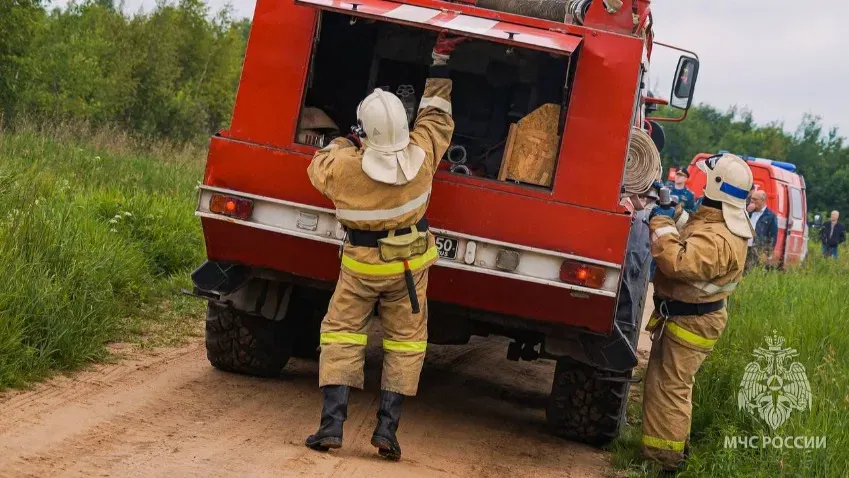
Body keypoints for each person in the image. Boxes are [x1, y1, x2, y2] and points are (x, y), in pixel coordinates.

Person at [303, 31, 468, 461]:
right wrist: (439, 64)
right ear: (402, 127)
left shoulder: (345, 168)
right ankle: (387, 433)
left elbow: (319, 165)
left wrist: (345, 142)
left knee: (340, 336)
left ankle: (330, 427)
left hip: (359, 268)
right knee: (406, 344)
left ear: (366, 133)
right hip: (409, 273)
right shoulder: (423, 157)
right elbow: (437, 119)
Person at [641, 153, 752, 472]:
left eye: (707, 179)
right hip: (690, 316)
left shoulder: (719, 238)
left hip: (691, 320)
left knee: (670, 388)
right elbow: (697, 230)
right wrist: (674, 211)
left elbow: (678, 261)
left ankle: (664, 462)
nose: (701, 184)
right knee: (668, 383)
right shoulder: (719, 223)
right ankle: (668, 453)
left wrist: (660, 223)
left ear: (717, 187)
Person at [745, 190, 778, 269]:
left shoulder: (770, 216)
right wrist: (746, 211)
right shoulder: (748, 212)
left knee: (753, 272)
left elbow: (773, 236)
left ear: (763, 200)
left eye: (755, 199)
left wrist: (767, 254)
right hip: (744, 247)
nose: (752, 201)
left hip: (757, 250)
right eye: (752, 199)